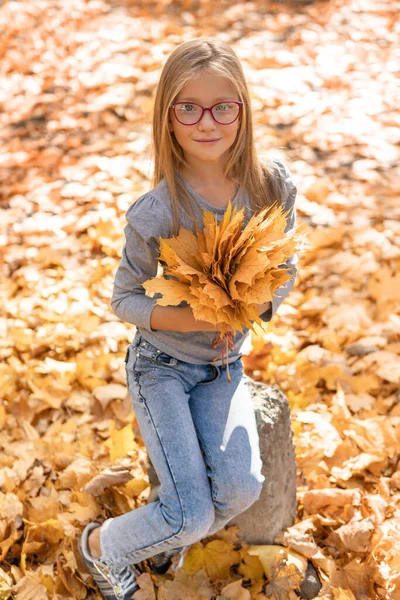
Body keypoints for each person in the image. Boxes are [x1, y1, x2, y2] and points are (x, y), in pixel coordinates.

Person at [79, 36, 299, 600]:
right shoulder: (158, 211)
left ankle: (172, 528)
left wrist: (255, 303)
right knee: (188, 512)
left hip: (225, 368)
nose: (208, 121)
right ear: (168, 117)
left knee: (242, 488)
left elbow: (285, 266)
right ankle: (101, 546)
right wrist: (193, 318)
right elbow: (124, 300)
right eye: (189, 107)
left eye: (224, 106)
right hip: (162, 368)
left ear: (244, 110)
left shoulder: (268, 185)